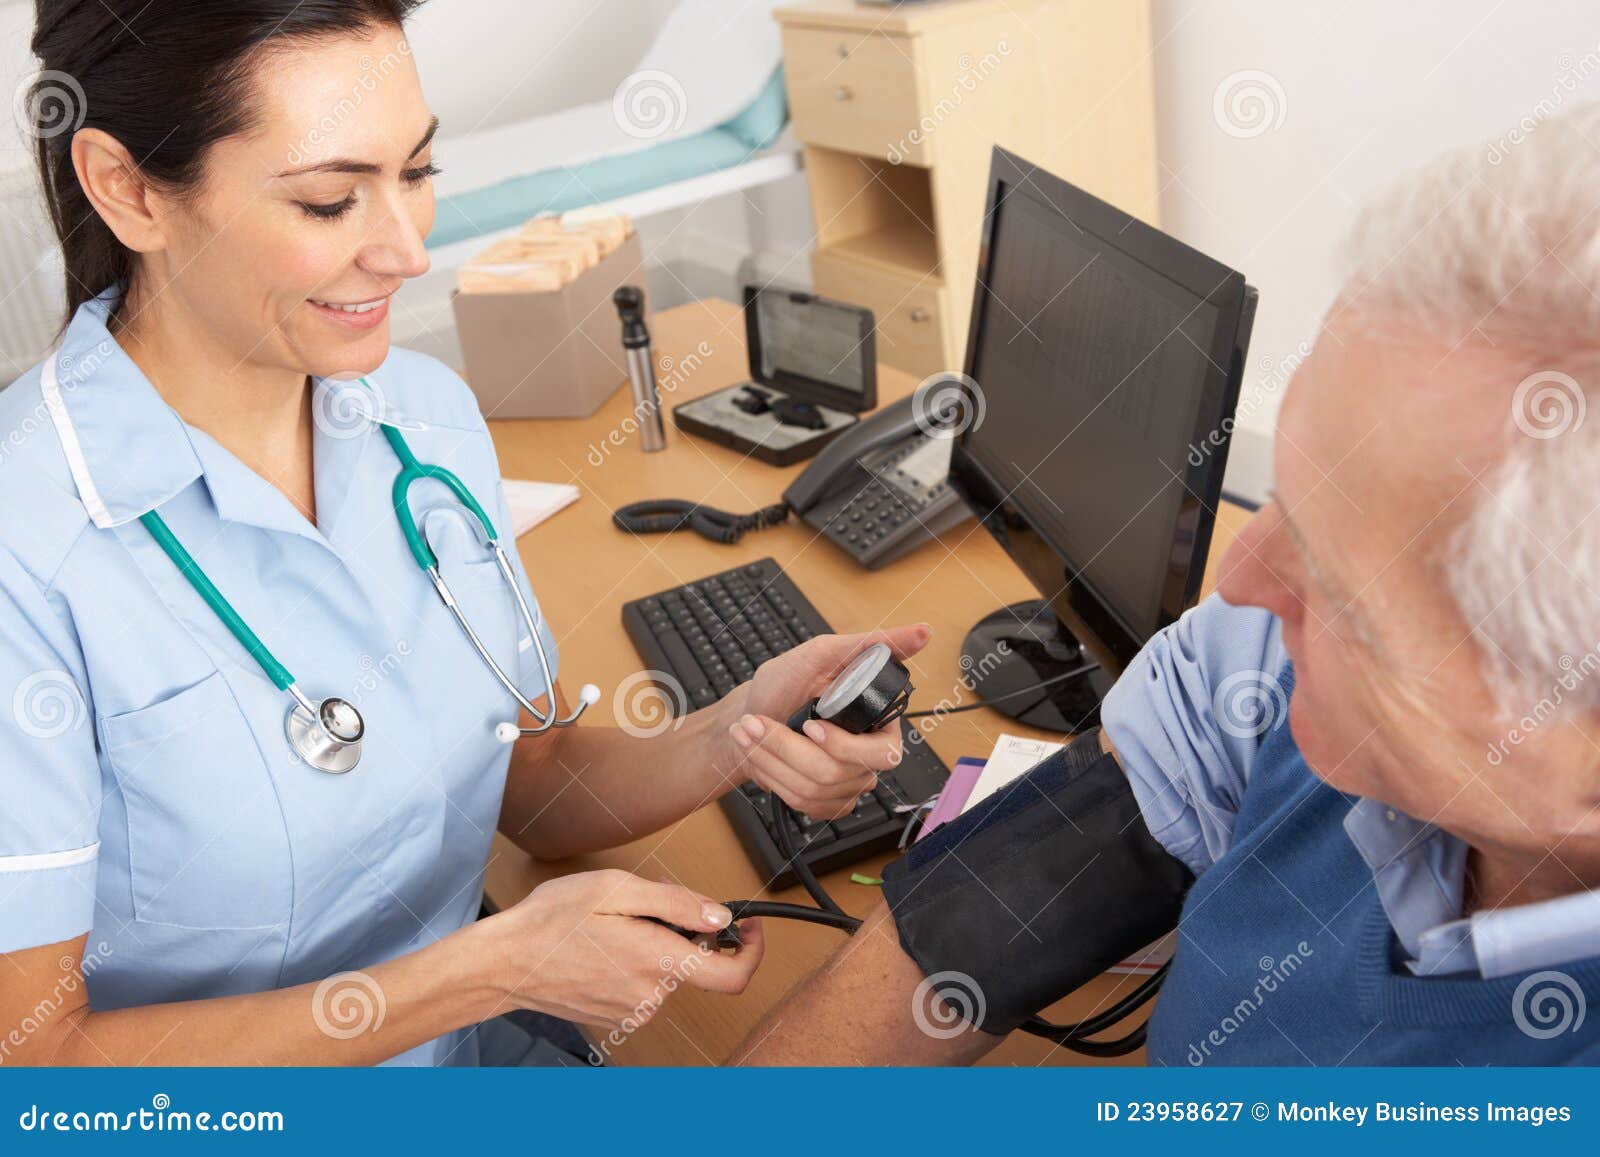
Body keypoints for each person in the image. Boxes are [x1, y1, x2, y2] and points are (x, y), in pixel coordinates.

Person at [0, 0, 925, 1067]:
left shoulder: (422, 420)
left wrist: (730, 737)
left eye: (419, 173)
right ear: (127, 188)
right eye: (331, 199)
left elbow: (527, 777)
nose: (406, 248)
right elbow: (37, 1067)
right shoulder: (32, 549)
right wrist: (493, 969)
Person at [735, 103, 1600, 1066]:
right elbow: (963, 924)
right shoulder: (1271, 670)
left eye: (1343, 595)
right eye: (1286, 502)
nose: (1239, 579)